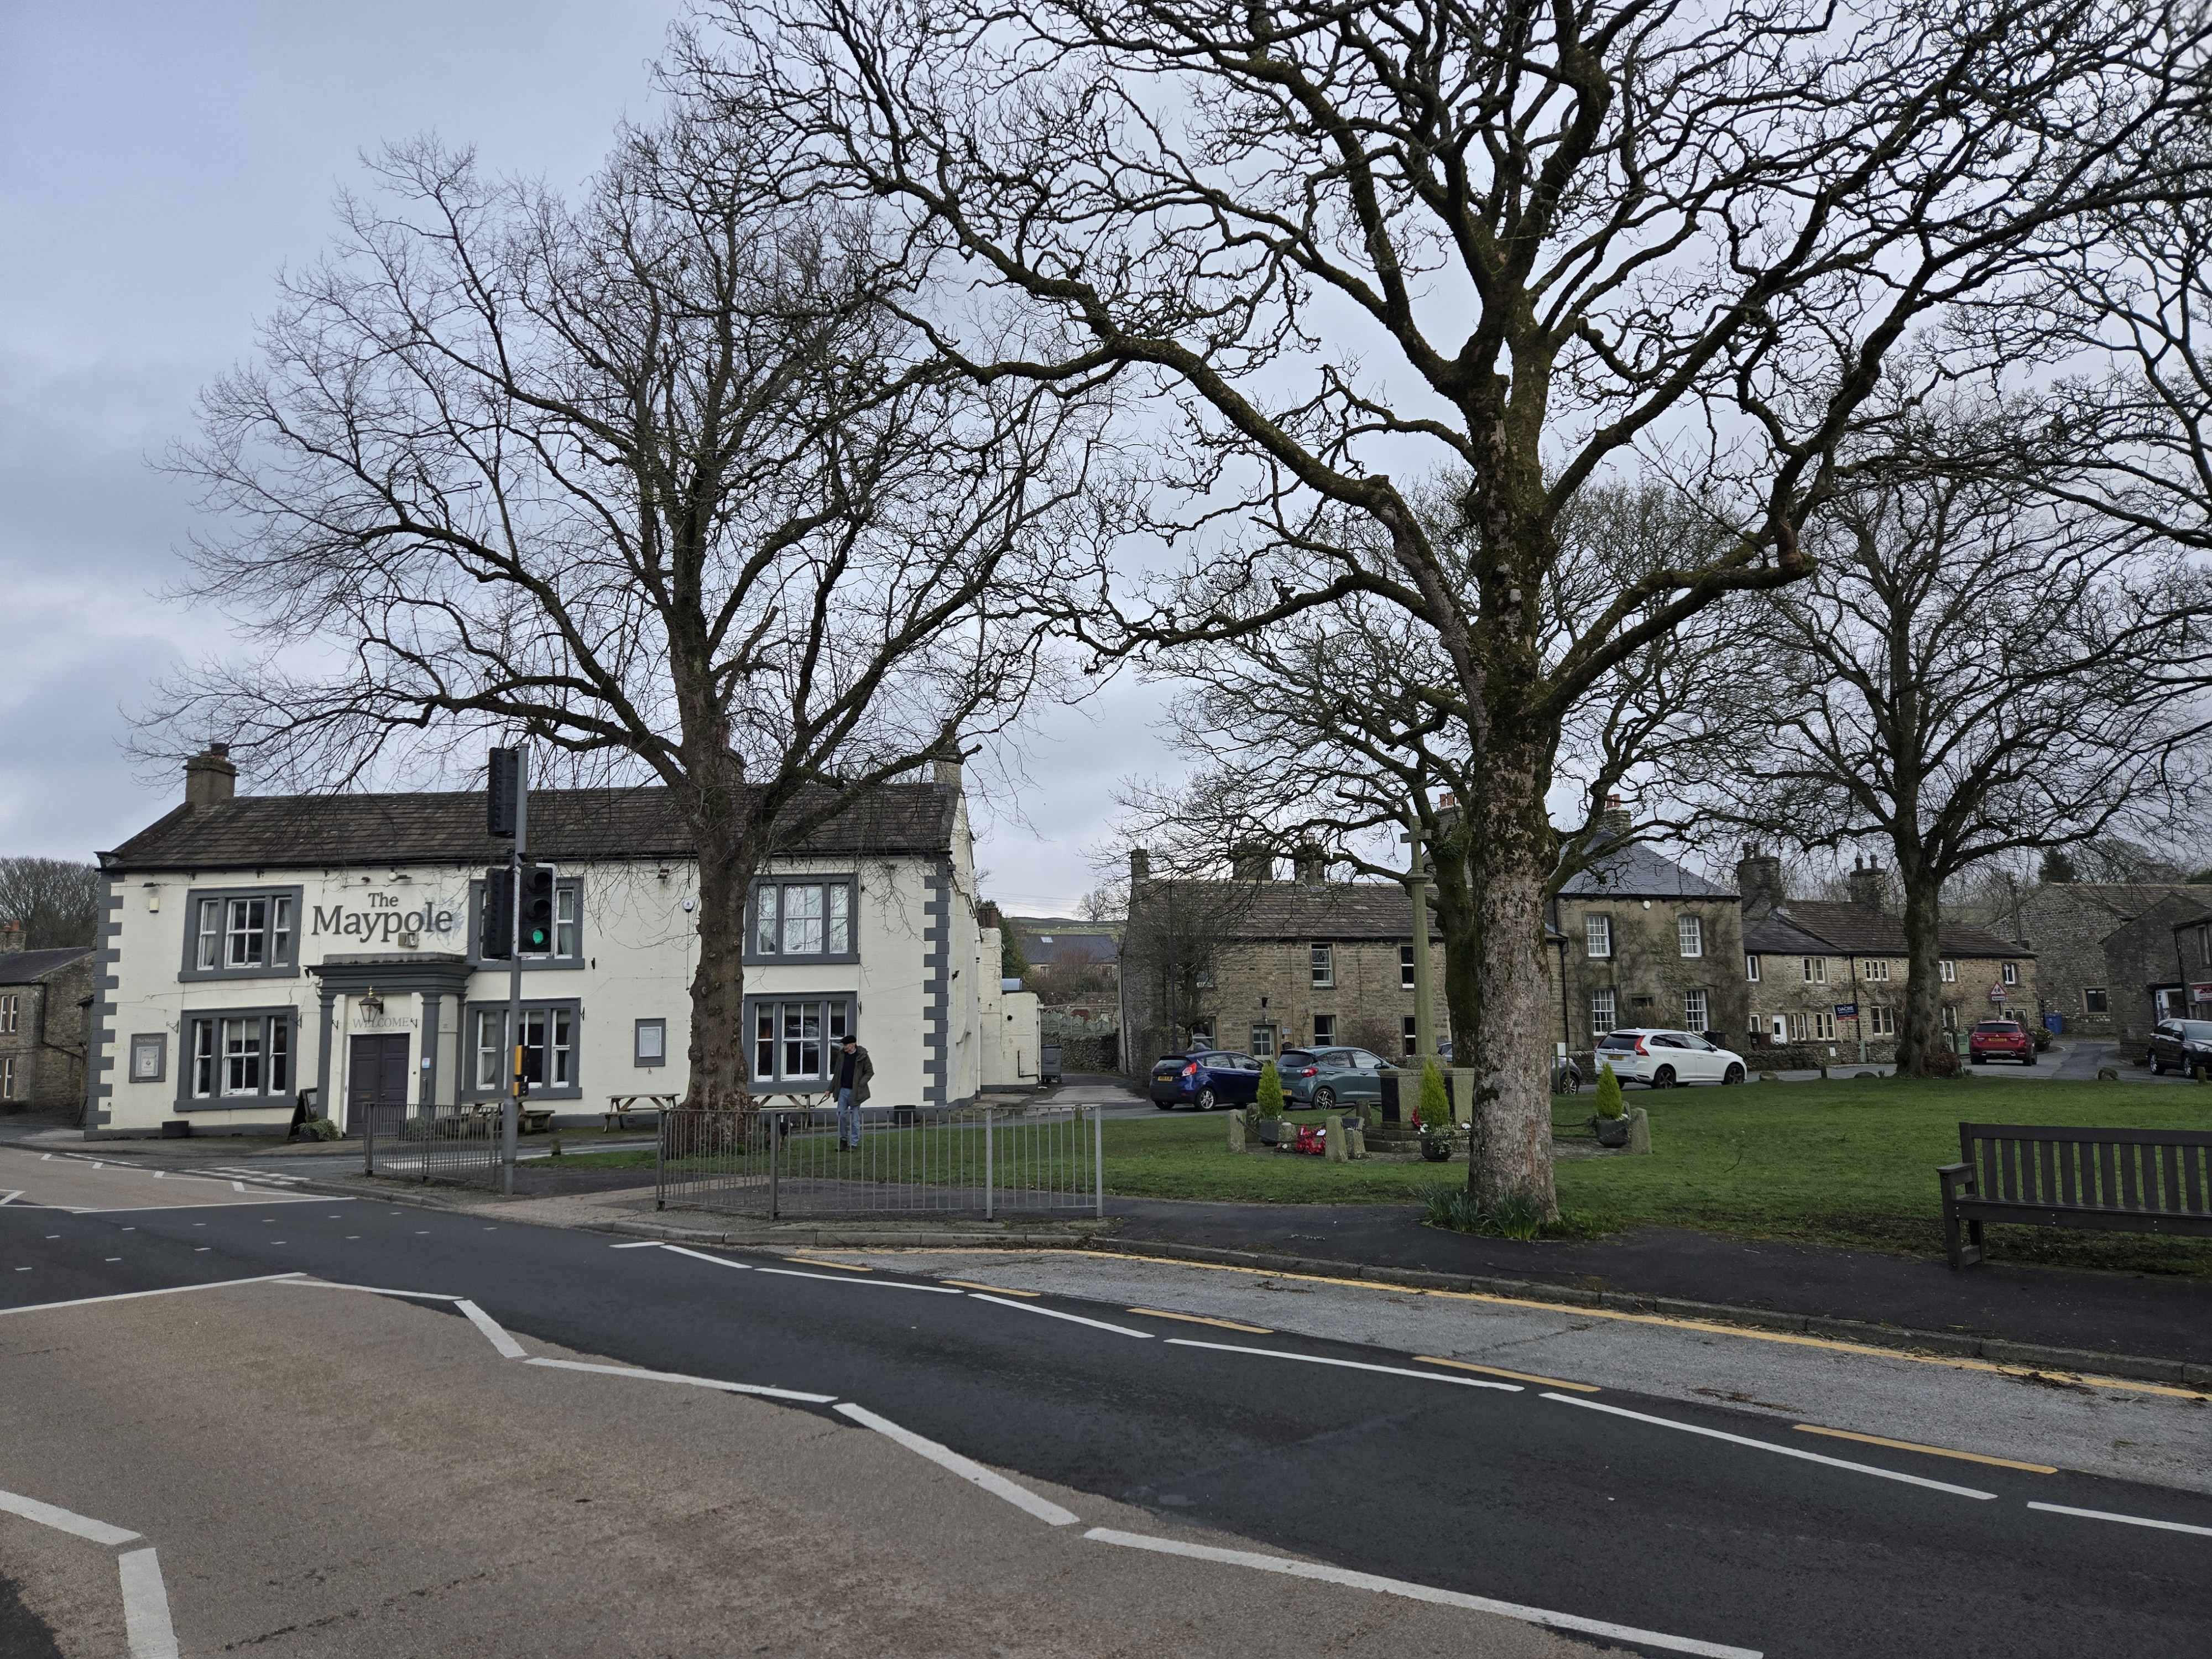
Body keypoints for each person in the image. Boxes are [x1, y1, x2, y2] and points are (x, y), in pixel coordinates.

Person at [835, 1032, 873, 1150]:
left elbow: (869, 1072)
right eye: (843, 1045)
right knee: (841, 1115)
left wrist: (860, 1084)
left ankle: (854, 1144)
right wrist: (829, 1090)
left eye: (846, 1045)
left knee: (855, 1119)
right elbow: (837, 1074)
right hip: (843, 1091)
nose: (844, 1047)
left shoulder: (863, 1056)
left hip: (856, 1092)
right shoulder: (842, 1056)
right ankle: (843, 1141)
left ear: (853, 1044)